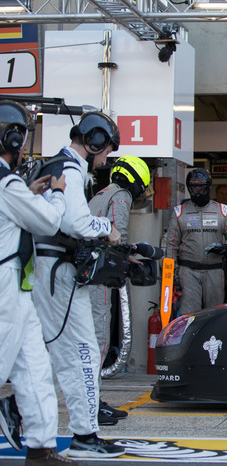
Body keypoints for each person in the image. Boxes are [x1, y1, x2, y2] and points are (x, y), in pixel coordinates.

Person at [0, 100, 88, 466]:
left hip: (17, 285)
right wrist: (55, 191)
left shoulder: (10, 183)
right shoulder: (5, 182)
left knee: (34, 369)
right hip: (5, 284)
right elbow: (50, 221)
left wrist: (32, 193)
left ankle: (40, 449)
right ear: (13, 136)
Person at [31, 111, 124, 459]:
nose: (105, 158)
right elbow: (74, 221)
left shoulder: (54, 165)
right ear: (95, 140)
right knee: (83, 351)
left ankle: (76, 429)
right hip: (59, 272)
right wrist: (107, 229)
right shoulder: (69, 169)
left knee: (57, 354)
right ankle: (85, 435)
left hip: (49, 271)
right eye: (106, 150)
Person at [87, 155, 150, 426]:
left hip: (84, 274)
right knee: (98, 340)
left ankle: (91, 401)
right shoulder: (121, 195)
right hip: (99, 275)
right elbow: (116, 237)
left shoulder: (99, 194)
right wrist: (130, 260)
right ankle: (92, 406)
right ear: (135, 180)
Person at [165, 168, 227, 316]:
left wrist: (226, 247)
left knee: (215, 314)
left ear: (208, 188)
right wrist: (171, 276)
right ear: (189, 188)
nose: (198, 192)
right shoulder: (179, 211)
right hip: (188, 271)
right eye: (194, 188)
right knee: (189, 316)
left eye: (202, 188)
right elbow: (171, 245)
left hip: (215, 270)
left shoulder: (222, 210)